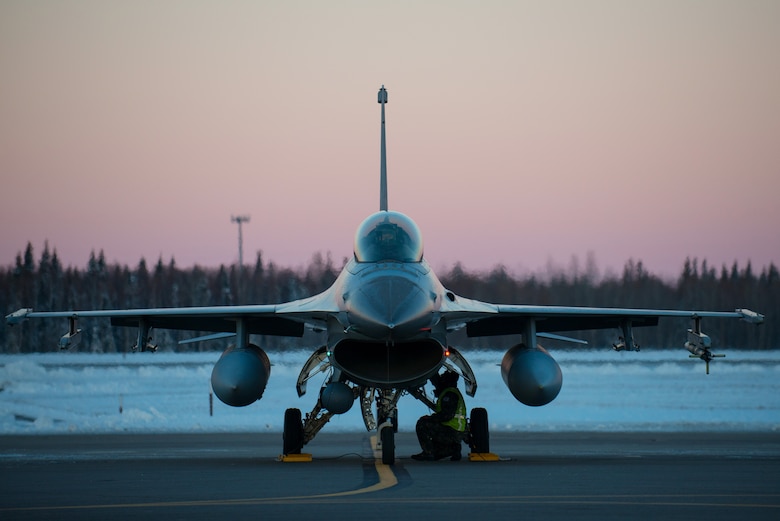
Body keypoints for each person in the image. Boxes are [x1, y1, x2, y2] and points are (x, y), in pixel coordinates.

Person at [412, 370, 467, 461]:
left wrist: (430, 418)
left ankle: (428, 453)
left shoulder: (449, 394)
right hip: (456, 431)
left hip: (450, 431)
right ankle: (454, 449)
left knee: (422, 423)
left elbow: (446, 416)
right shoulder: (452, 392)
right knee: (437, 453)